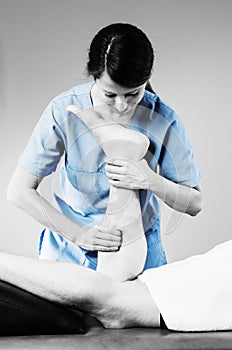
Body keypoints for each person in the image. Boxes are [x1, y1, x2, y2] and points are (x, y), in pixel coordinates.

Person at [7, 22, 202, 274]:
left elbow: (195, 203)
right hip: (71, 248)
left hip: (137, 250)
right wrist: (78, 234)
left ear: (147, 79)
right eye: (110, 95)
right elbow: (18, 191)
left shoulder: (163, 119)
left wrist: (150, 181)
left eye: (133, 94)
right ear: (94, 77)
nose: (122, 105)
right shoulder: (65, 109)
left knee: (134, 311)